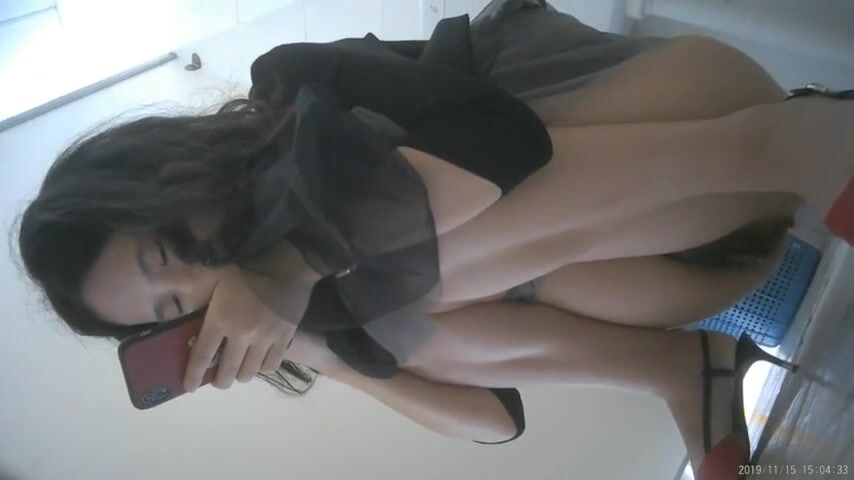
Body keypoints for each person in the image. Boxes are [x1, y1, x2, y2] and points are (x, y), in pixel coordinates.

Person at [16, 1, 850, 478]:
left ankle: (795, 142)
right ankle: (676, 370)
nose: (199, 284)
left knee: (389, 253)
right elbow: (493, 422)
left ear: (161, 180)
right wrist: (319, 351)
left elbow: (505, 141)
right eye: (172, 306)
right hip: (700, 259)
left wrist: (295, 261)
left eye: (169, 252)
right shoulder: (317, 308)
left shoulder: (288, 89)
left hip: (704, 117)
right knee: (400, 319)